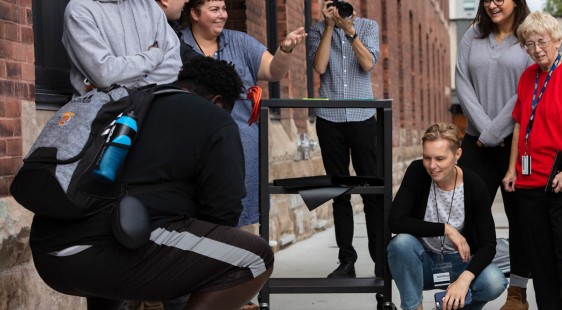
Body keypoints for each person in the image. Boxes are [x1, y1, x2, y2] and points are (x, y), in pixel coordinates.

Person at [29, 57, 274, 310]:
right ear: (218, 102)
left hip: (48, 254)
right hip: (99, 256)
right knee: (255, 257)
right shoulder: (214, 117)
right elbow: (223, 210)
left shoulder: (131, 103)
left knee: (120, 225)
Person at [502, 11, 562, 310]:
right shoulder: (528, 76)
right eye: (528, 44)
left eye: (541, 41)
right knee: (540, 259)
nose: (535, 49)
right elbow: (520, 124)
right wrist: (511, 168)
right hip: (532, 180)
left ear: (557, 40)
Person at [180, 0, 307, 228]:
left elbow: (273, 71)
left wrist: (285, 49)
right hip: (193, 146)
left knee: (242, 218)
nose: (222, 15)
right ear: (194, 13)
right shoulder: (177, 44)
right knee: (199, 213)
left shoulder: (240, 42)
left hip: (241, 146)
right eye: (214, 9)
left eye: (224, 9)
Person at [453, 0, 532, 308]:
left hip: (517, 144)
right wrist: (486, 132)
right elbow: (462, 82)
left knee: (521, 219)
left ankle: (517, 292)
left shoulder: (527, 36)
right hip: (477, 142)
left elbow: (526, 89)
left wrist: (496, 131)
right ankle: (469, 286)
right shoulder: (472, 35)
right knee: (468, 217)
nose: (493, 4)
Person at [388, 123, 507, 310]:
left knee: (494, 281)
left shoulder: (475, 185)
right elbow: (395, 221)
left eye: (440, 158)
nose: (432, 166)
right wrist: (446, 229)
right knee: (401, 244)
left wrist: (465, 279)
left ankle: (453, 306)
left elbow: (488, 245)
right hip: (422, 262)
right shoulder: (417, 172)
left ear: (457, 155)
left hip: (459, 264)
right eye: (427, 157)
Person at [307, 0, 384, 279]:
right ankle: (346, 260)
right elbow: (320, 66)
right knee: (338, 193)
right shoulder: (316, 29)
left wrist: (350, 31)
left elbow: (368, 64)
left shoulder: (368, 26)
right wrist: (329, 27)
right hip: (330, 119)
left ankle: (380, 260)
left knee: (372, 192)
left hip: (362, 118)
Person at [63, 0, 182, 95]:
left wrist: (117, 86)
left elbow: (174, 66)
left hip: (151, 108)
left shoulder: (149, 5)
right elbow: (104, 74)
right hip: (101, 117)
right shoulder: (79, 9)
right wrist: (155, 55)